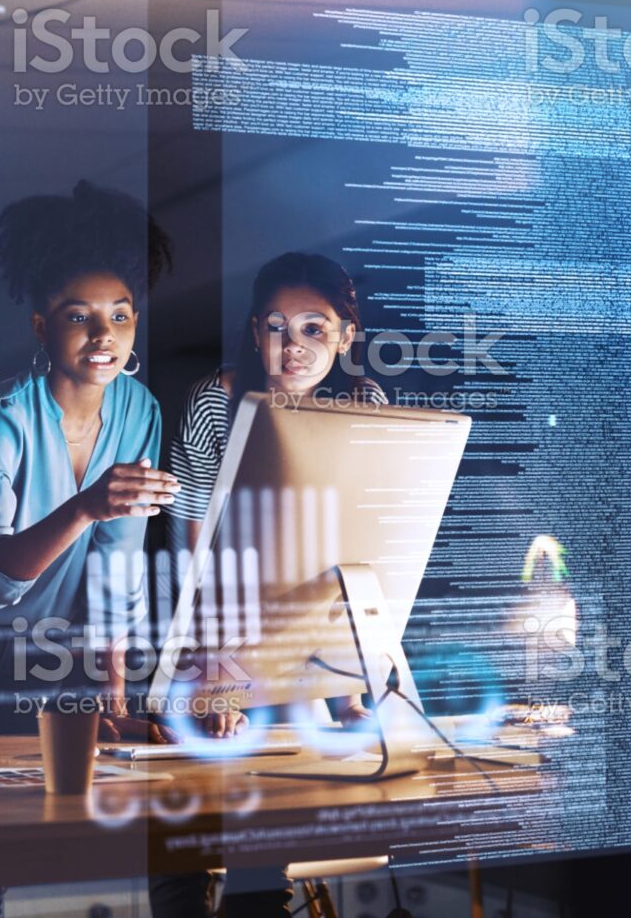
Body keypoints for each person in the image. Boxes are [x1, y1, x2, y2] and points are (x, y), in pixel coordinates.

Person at [0, 180, 192, 917]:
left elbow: (116, 567)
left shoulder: (140, 409)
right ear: (41, 327)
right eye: (79, 317)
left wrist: (115, 698)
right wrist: (86, 505)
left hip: (50, 634)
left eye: (120, 317)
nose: (103, 336)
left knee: (76, 812)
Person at [158, 251, 387, 918]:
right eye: (278, 328)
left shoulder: (361, 403)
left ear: (346, 336)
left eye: (316, 329)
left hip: (306, 637)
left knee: (272, 826)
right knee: (188, 836)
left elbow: (362, 545)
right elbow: (190, 551)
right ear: (256, 331)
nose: (294, 348)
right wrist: (216, 672)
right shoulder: (217, 400)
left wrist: (351, 674)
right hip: (212, 629)